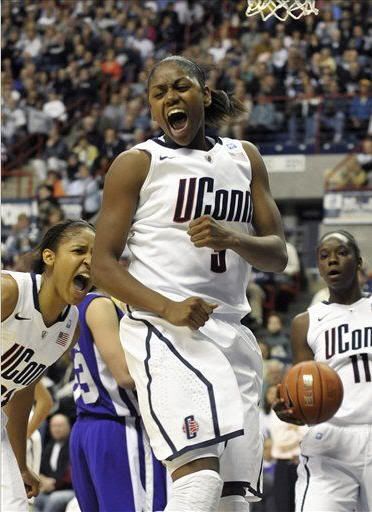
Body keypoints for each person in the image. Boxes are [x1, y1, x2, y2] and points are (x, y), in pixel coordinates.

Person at [91, 55, 287, 512]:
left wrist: (232, 238)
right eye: (158, 94)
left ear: (205, 94)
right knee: (197, 479)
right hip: (165, 332)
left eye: (179, 88)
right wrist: (167, 307)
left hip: (233, 335)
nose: (169, 99)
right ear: (151, 108)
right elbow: (103, 265)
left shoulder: (245, 157)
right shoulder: (138, 163)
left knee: (233, 502)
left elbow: (277, 253)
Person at [274, 230, 372, 512]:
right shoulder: (305, 323)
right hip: (330, 441)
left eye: (342, 253)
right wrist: (292, 409)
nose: (332, 261)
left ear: (358, 261)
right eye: (324, 256)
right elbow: (303, 390)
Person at [1, 219, 95, 512]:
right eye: (79, 250)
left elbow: (22, 391)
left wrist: (20, 463)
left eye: (96, 253)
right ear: (49, 257)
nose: (89, 260)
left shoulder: (70, 328)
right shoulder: (9, 293)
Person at [70, 290, 168, 511]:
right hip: (117, 427)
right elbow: (125, 375)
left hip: (85, 428)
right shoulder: (99, 305)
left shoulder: (75, 305)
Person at [34, 414, 75, 512]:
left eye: (60, 426)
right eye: (53, 426)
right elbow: (41, 468)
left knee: (54, 500)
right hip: (50, 488)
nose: (56, 429)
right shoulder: (49, 446)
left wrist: (53, 484)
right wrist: (42, 479)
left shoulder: (73, 445)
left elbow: (70, 474)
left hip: (70, 489)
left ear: (69, 426)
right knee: (37, 498)